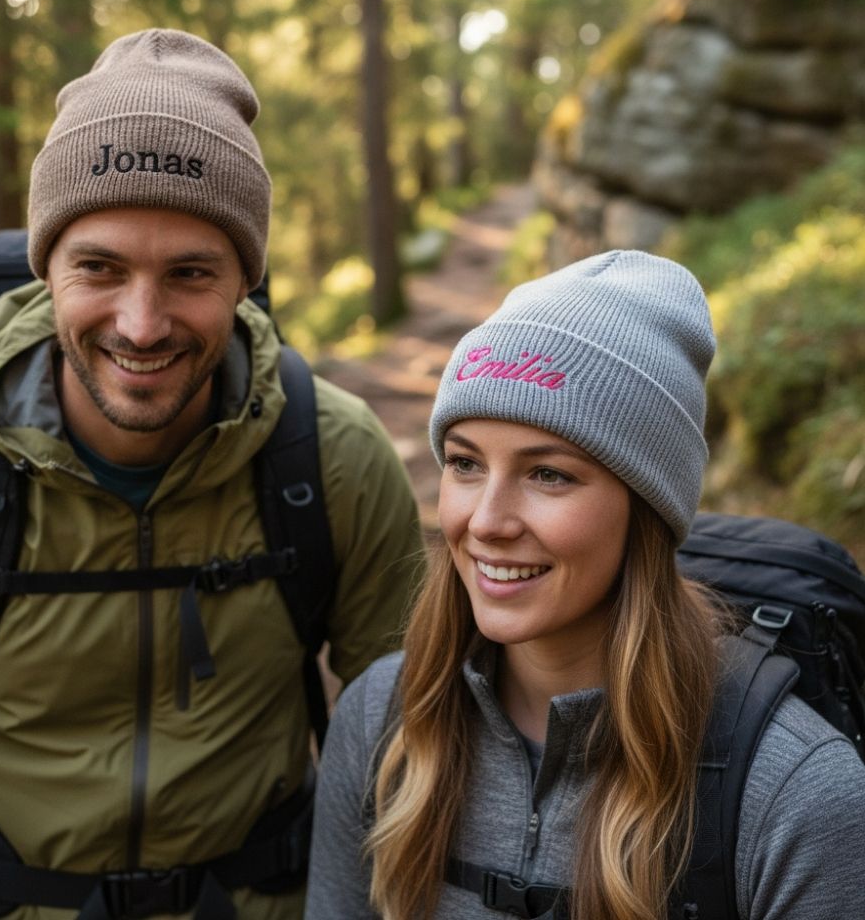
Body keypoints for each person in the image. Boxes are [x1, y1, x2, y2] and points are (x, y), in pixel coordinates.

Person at [0, 29, 423, 920]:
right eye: (100, 267)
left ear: (246, 278)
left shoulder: (330, 463)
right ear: (47, 267)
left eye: (190, 272)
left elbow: (414, 759)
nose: (141, 322)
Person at [305, 249, 865, 920]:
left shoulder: (799, 796)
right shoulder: (381, 720)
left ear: (646, 508)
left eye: (549, 474)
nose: (486, 522)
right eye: (465, 463)